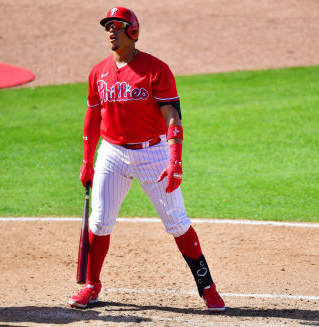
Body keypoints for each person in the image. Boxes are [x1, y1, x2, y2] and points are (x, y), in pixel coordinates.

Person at [68, 7, 225, 312]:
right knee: (99, 222)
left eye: (117, 26)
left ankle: (207, 287)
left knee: (177, 223)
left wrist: (175, 160)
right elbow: (92, 117)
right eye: (108, 26)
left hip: (153, 153)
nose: (111, 31)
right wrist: (88, 162)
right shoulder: (98, 72)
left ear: (133, 32)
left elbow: (173, 117)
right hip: (112, 153)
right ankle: (92, 287)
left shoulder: (156, 70)